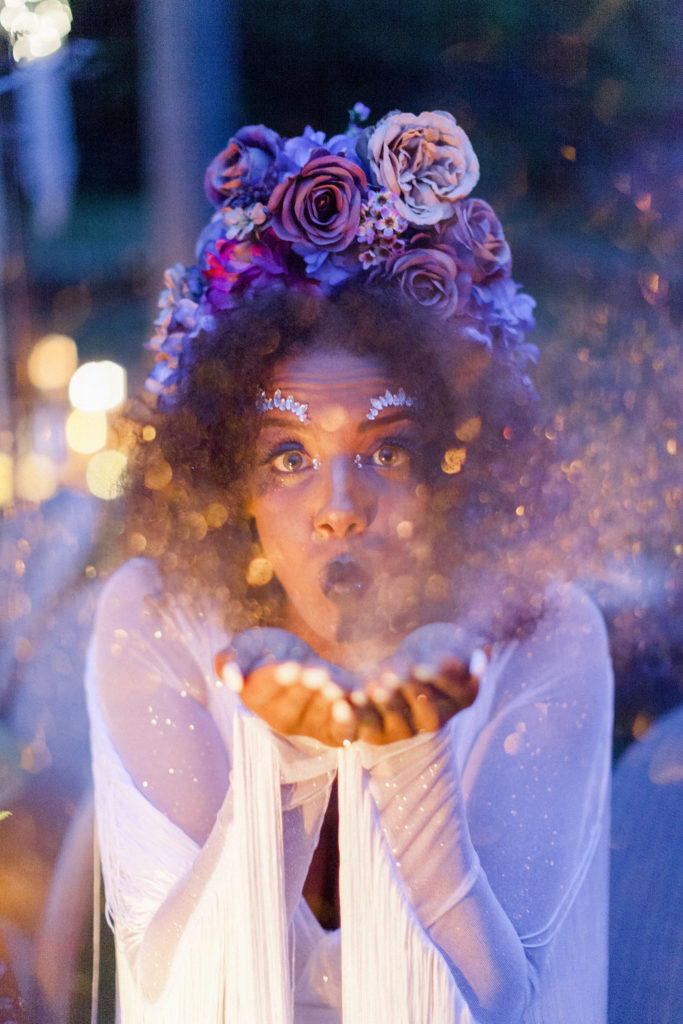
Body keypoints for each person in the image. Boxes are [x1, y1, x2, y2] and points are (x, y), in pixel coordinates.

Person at [87, 105, 613, 1023]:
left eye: (387, 451)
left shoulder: (539, 627)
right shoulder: (159, 618)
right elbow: (171, 986)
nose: (338, 508)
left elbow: (507, 1002)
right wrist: (281, 760)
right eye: (286, 457)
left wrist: (409, 756)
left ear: (456, 471)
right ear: (230, 483)